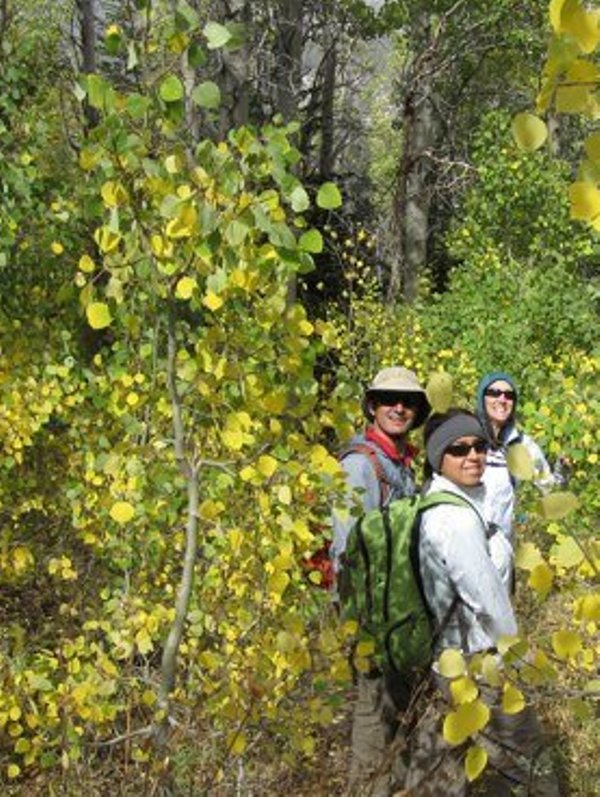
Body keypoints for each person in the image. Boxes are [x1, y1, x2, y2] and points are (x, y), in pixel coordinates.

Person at [404, 409, 560, 796]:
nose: (473, 455)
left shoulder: (449, 501)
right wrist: (517, 652)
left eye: (479, 446)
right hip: (477, 660)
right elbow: (485, 595)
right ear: (439, 457)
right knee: (528, 759)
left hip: (450, 662)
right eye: (459, 449)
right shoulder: (454, 519)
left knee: (442, 771)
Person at [330, 366, 430, 796]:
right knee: (373, 724)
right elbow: (344, 551)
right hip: (372, 621)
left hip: (401, 619)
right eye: (389, 398)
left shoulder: (401, 463)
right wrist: (362, 627)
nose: (398, 407)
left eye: (407, 401)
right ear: (372, 405)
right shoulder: (361, 466)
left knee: (399, 721)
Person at [475, 372, 566, 547]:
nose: (502, 399)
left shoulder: (524, 444)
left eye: (509, 395)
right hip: (464, 545)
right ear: (482, 398)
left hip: (501, 549)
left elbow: (548, 486)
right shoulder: (466, 436)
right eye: (494, 392)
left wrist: (563, 469)